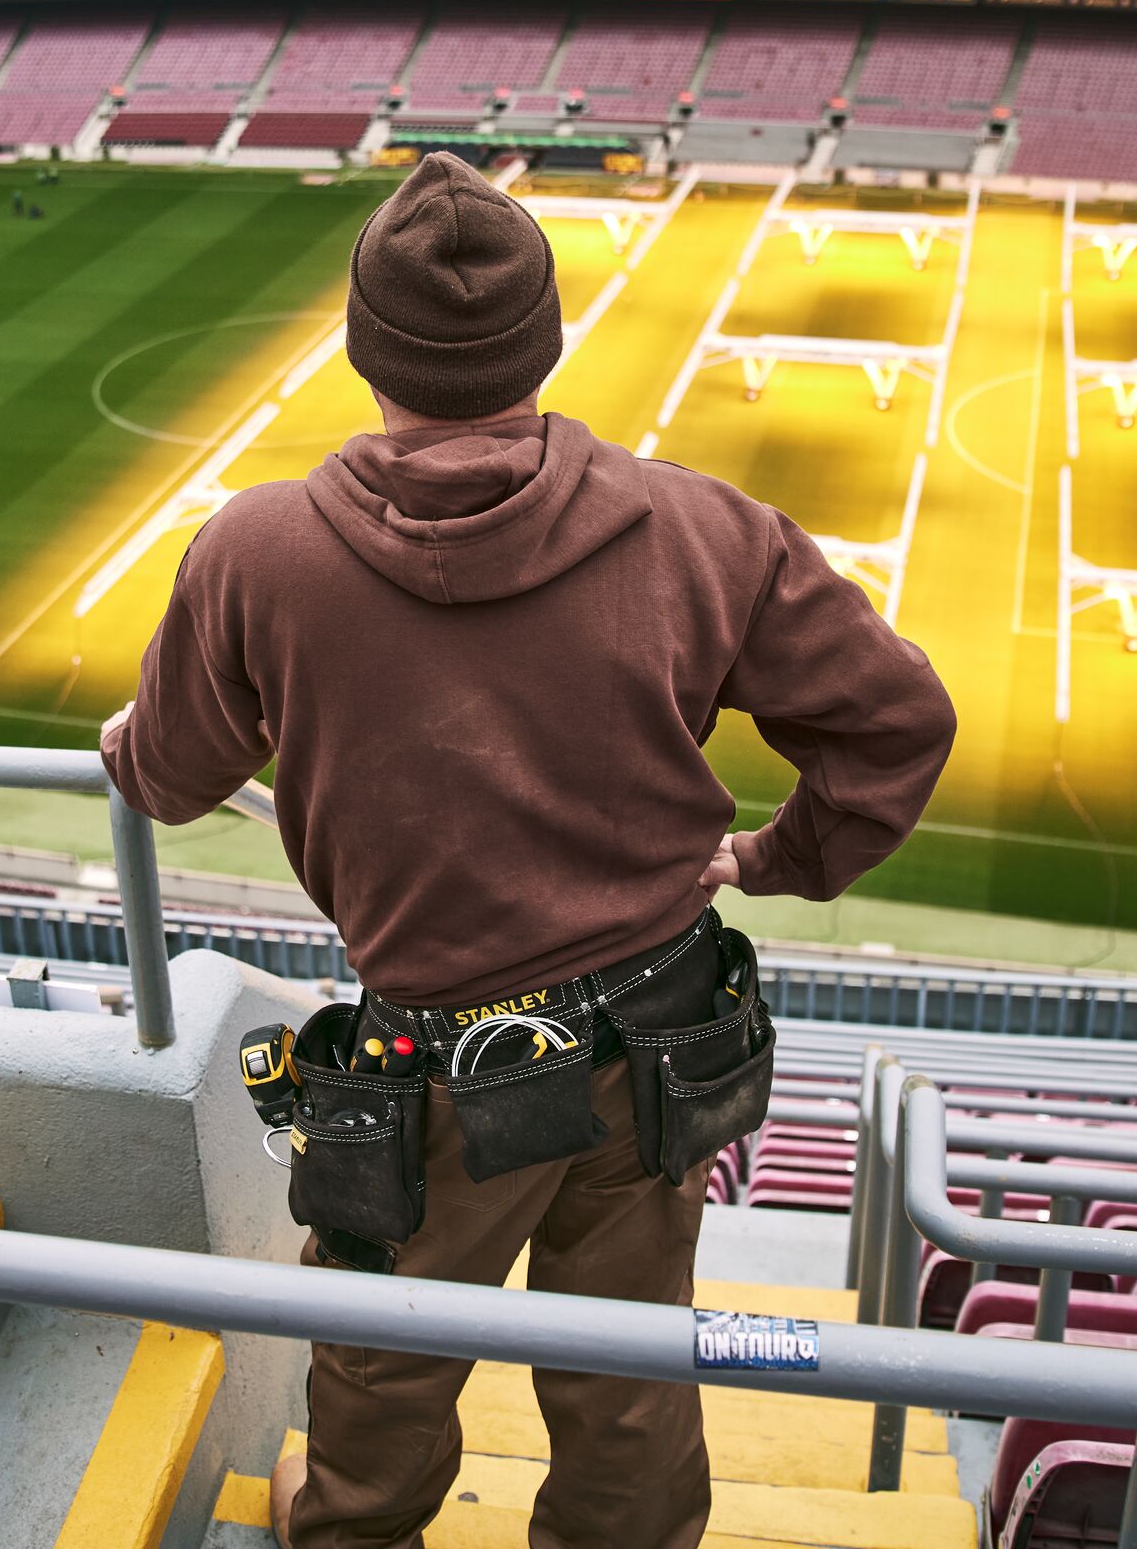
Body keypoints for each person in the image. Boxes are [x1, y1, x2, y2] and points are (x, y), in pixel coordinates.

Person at [101, 151, 956, 1549]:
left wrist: (128, 746)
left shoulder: (252, 553)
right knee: (628, 1368)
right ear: (543, 338)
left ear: (368, 347)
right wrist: (774, 858)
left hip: (437, 1065)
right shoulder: (704, 527)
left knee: (380, 1355)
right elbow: (896, 726)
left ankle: (354, 1533)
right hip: (663, 1034)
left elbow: (171, 775)